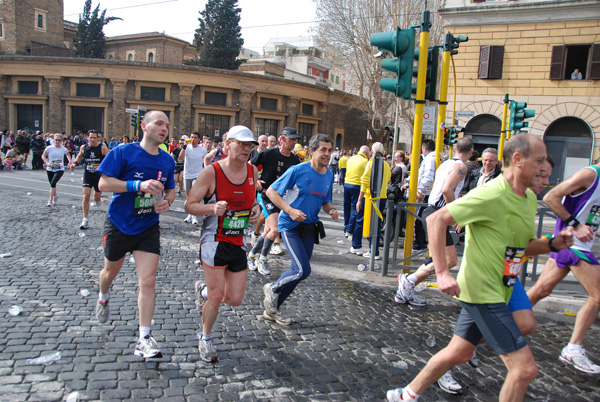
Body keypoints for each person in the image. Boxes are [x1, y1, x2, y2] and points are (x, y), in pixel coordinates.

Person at [386, 134, 574, 402]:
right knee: (524, 369)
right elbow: (436, 219)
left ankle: (406, 395)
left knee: (460, 351)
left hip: (505, 284)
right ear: (518, 160)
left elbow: (519, 247)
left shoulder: (528, 198)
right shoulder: (491, 193)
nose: (545, 168)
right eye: (540, 160)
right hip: (483, 290)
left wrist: (553, 244)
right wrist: (441, 273)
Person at [94, 110, 175, 359]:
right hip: (119, 224)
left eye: (167, 125)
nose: (164, 128)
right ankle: (103, 296)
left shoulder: (167, 160)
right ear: (144, 126)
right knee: (109, 274)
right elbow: (104, 184)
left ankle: (144, 338)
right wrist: (137, 185)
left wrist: (166, 203)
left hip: (148, 226)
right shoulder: (123, 152)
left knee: (148, 281)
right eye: (159, 123)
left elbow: (171, 191)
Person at [185, 126, 261, 363]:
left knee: (235, 298)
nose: (247, 149)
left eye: (250, 145)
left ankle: (203, 291)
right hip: (213, 240)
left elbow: (254, 200)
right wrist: (211, 208)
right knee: (218, 295)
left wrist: (256, 209)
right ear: (227, 144)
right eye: (242, 144)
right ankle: (205, 337)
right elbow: (189, 205)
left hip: (238, 240)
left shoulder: (252, 171)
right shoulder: (211, 172)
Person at [526, 160, 600, 375]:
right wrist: (576, 225)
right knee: (598, 296)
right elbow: (550, 197)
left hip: (572, 244)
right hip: (572, 244)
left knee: (541, 291)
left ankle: (499, 328)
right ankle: (573, 348)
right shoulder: (590, 174)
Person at [262, 134, 339, 325]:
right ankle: (272, 287)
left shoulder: (329, 174)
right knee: (303, 270)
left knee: (296, 272)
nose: (327, 154)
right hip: (290, 226)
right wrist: (290, 210)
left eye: (330, 150)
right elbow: (271, 191)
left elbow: (325, 201)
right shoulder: (297, 170)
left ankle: (273, 310)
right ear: (311, 151)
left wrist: (331, 210)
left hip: (309, 228)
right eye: (323, 149)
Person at [395, 137, 474, 307]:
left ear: (455, 148)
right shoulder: (460, 167)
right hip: (437, 214)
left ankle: (406, 287)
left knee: (441, 257)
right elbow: (447, 190)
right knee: (450, 259)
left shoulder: (445, 163)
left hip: (433, 212)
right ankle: (408, 280)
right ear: (471, 152)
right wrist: (456, 215)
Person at [248, 128, 301, 275]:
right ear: (282, 139)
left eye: (296, 140)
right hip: (265, 194)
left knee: (268, 231)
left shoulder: (294, 160)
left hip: (281, 198)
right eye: (291, 139)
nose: (294, 142)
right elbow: (249, 165)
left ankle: (251, 255)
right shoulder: (268, 153)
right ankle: (262, 259)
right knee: (276, 229)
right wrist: (256, 180)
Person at [356, 142, 391, 259]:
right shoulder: (386, 164)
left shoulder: (371, 164)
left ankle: (373, 251)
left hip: (371, 198)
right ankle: (374, 250)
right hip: (383, 197)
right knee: (376, 224)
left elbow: (364, 182)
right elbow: (388, 178)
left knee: (370, 225)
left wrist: (359, 199)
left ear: (372, 151)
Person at [70, 130, 109, 230]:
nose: (92, 140)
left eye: (94, 138)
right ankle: (85, 219)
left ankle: (97, 200)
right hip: (88, 174)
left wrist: (101, 167)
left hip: (98, 176)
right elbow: (79, 155)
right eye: (90, 137)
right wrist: (74, 163)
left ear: (98, 138)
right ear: (87, 138)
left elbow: (109, 159)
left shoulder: (102, 148)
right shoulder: (84, 147)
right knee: (86, 195)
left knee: (96, 198)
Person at [402, 139, 436, 251]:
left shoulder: (429, 160)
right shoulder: (435, 158)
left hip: (426, 193)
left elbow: (428, 177)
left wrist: (420, 191)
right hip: (428, 192)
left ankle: (419, 244)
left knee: (419, 219)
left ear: (424, 148)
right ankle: (420, 243)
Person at [343, 145, 371, 254]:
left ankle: (346, 227)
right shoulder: (365, 161)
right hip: (357, 185)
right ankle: (350, 229)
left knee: (347, 207)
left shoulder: (350, 159)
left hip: (347, 184)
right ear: (367, 153)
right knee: (356, 208)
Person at [180, 132, 208, 224]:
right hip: (187, 174)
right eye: (192, 137)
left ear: (199, 139)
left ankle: (194, 216)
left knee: (194, 195)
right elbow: (180, 158)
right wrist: (184, 146)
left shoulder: (202, 150)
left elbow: (206, 160)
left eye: (195, 137)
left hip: (197, 175)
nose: (193, 139)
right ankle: (190, 214)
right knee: (188, 197)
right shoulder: (187, 148)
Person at [41, 134, 72, 207]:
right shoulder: (49, 148)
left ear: (61, 141)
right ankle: (55, 196)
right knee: (52, 185)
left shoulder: (63, 149)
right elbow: (43, 156)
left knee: (53, 183)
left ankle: (50, 200)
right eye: (56, 140)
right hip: (50, 168)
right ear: (53, 140)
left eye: (59, 140)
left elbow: (68, 155)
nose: (57, 141)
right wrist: (47, 162)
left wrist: (70, 162)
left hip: (59, 168)